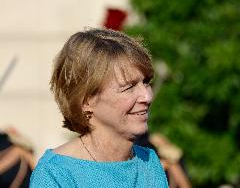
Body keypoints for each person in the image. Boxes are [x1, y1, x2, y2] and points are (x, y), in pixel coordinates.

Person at [30, 28, 169, 188]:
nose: (147, 97)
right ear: (86, 101)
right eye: (128, 87)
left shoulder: (149, 161)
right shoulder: (56, 173)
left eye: (145, 82)